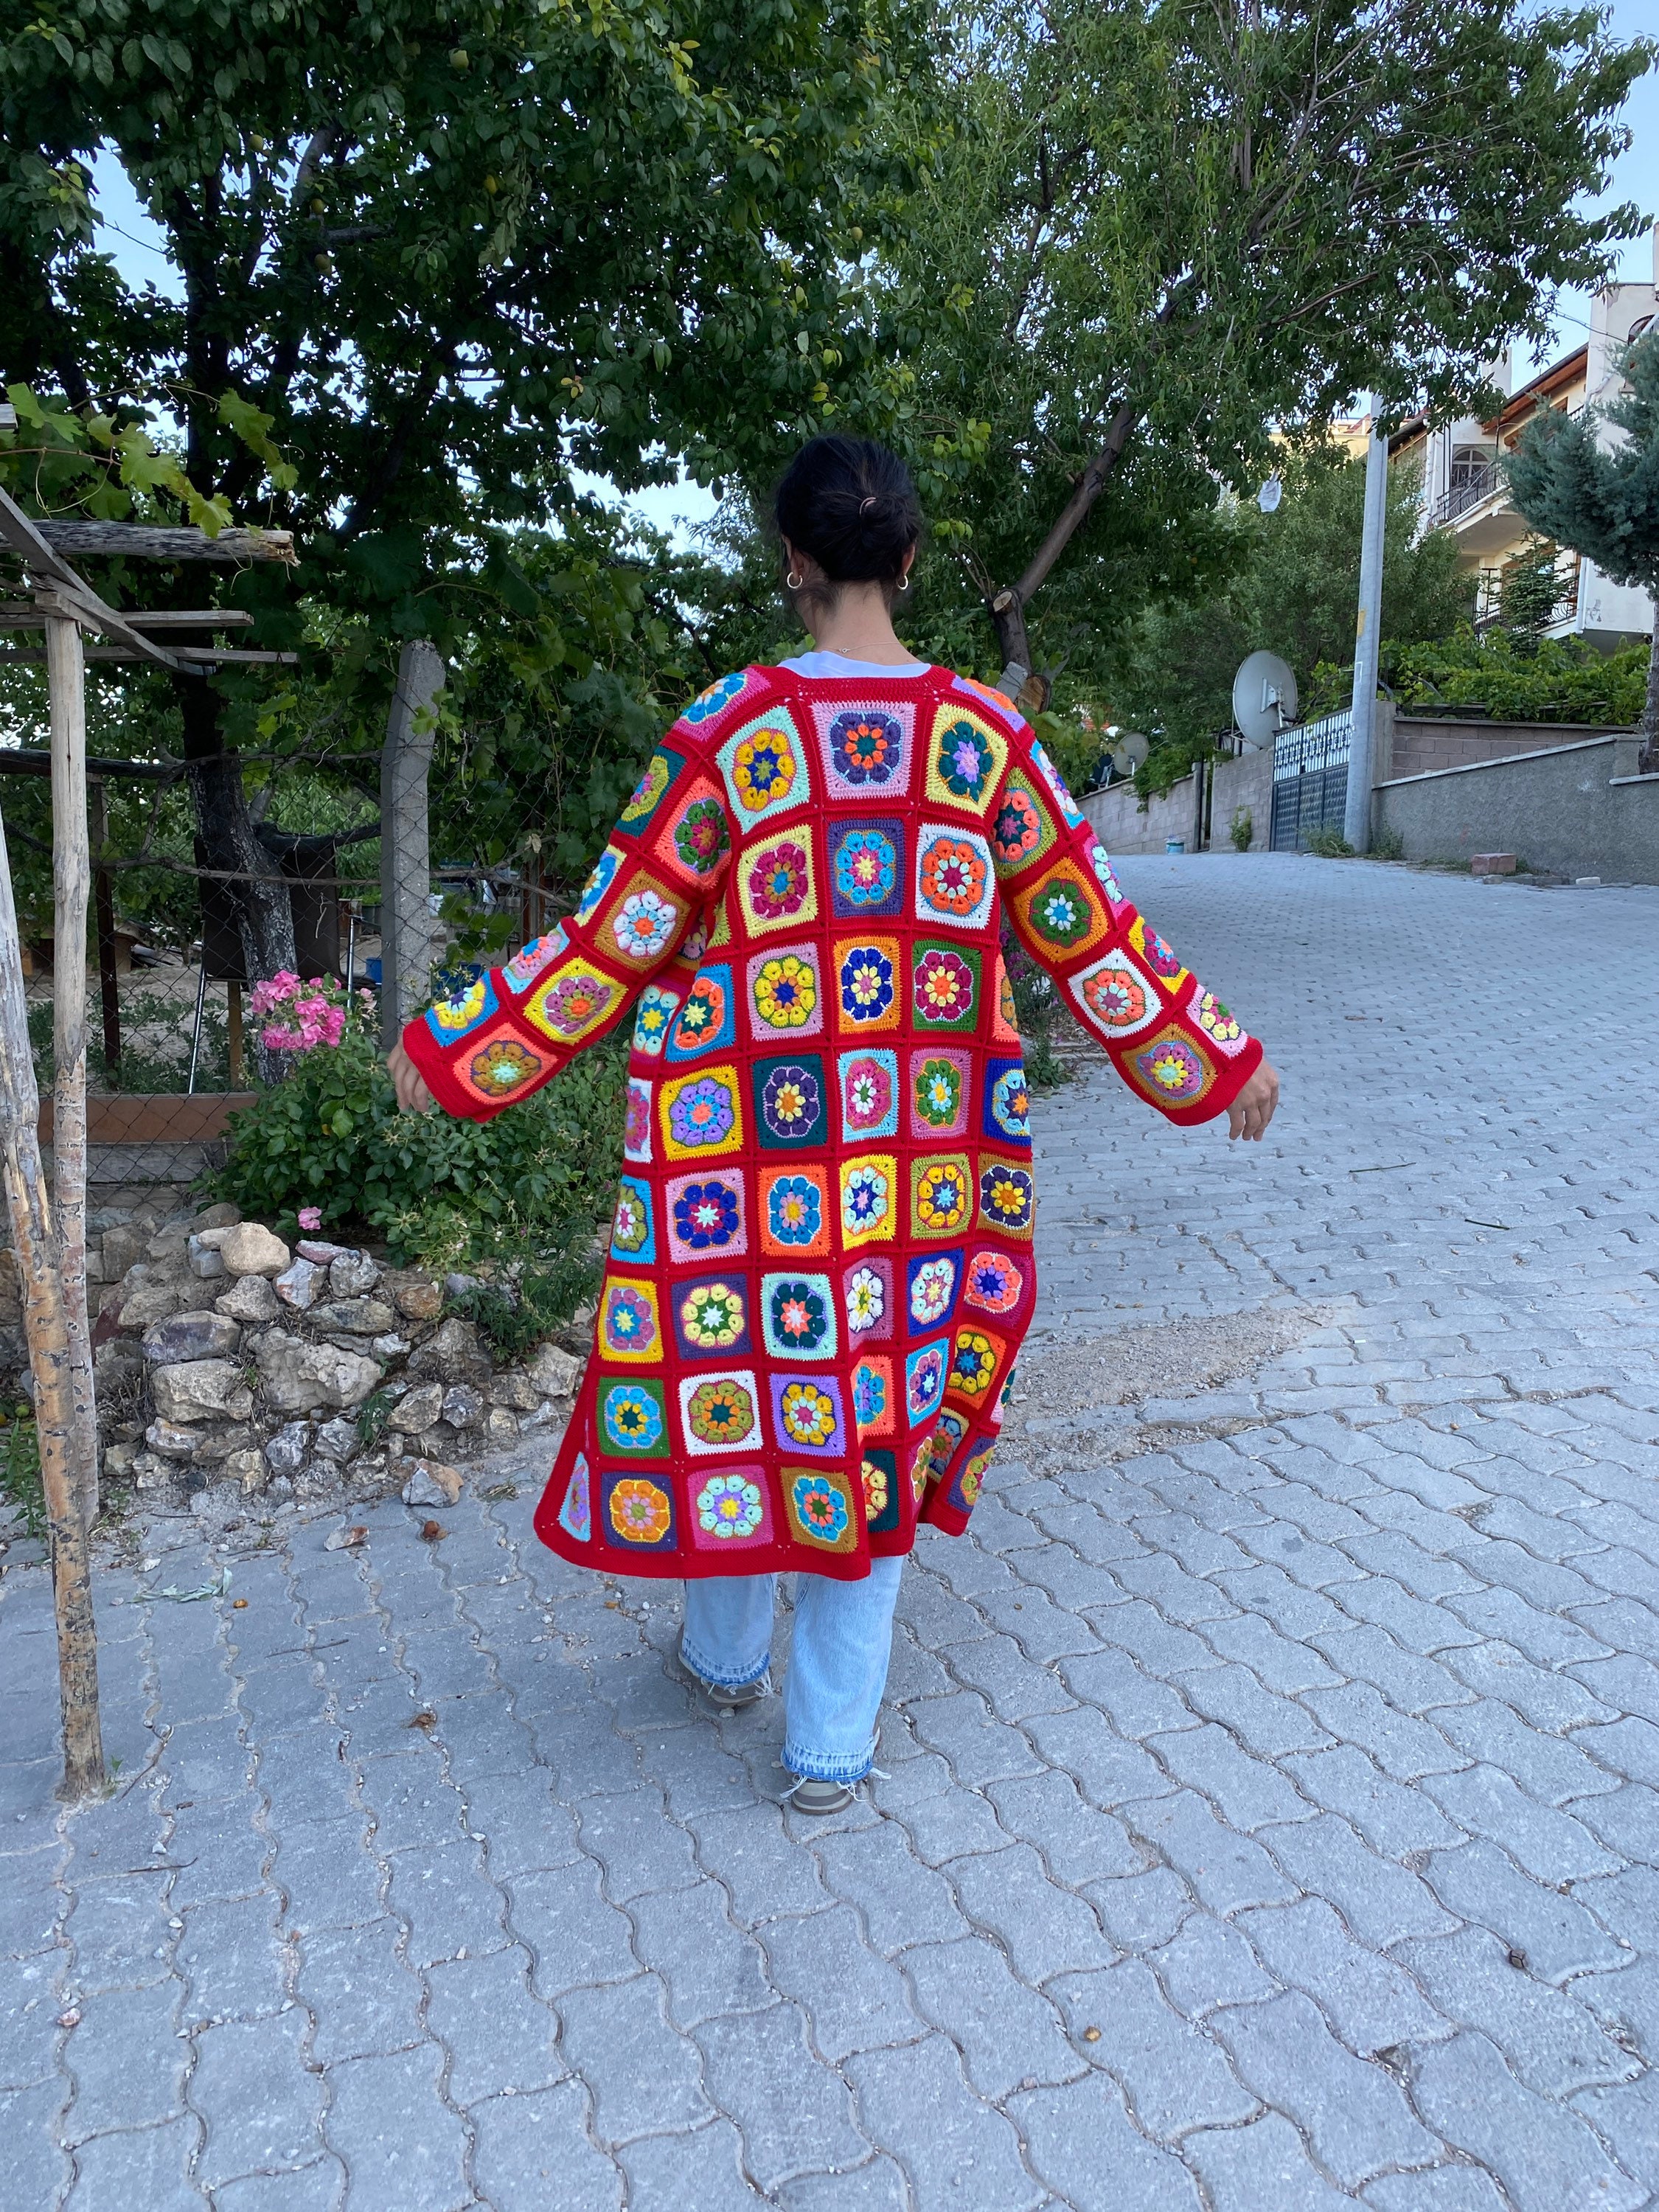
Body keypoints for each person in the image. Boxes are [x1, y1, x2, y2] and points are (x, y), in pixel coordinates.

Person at [388, 434, 1279, 1813]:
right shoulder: (986, 740)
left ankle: (727, 1661)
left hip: (748, 1173)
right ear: (911, 560)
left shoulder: (730, 734)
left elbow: (615, 933)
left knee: (749, 1396)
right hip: (927, 1177)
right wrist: (1217, 1060)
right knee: (869, 1406)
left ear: (790, 560)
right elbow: (1089, 932)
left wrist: (459, 1048)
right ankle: (825, 1749)